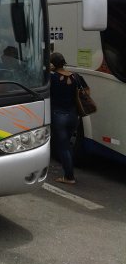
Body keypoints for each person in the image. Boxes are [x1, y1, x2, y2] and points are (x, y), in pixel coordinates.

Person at [49, 52, 79, 184]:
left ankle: (69, 177)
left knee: (63, 147)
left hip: (59, 115)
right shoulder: (75, 76)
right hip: (73, 115)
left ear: (53, 64)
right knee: (68, 144)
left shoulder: (52, 77)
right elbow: (86, 91)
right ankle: (69, 171)